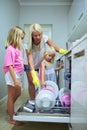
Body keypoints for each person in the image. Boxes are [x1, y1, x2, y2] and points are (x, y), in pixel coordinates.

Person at [23, 23, 67, 112]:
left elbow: (53, 46)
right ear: (31, 35)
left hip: (40, 63)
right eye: (35, 35)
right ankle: (32, 101)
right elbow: (30, 60)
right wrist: (32, 72)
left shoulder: (45, 38)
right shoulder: (27, 44)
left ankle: (42, 97)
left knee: (43, 81)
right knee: (31, 82)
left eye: (39, 34)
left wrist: (61, 50)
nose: (38, 37)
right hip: (29, 64)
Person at [3, 26, 24, 125]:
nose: (22, 41)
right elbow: (10, 66)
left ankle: (9, 109)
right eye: (21, 38)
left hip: (17, 74)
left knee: (18, 93)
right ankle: (12, 118)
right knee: (11, 96)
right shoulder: (10, 49)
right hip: (12, 74)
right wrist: (15, 80)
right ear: (16, 37)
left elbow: (18, 61)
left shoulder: (17, 49)